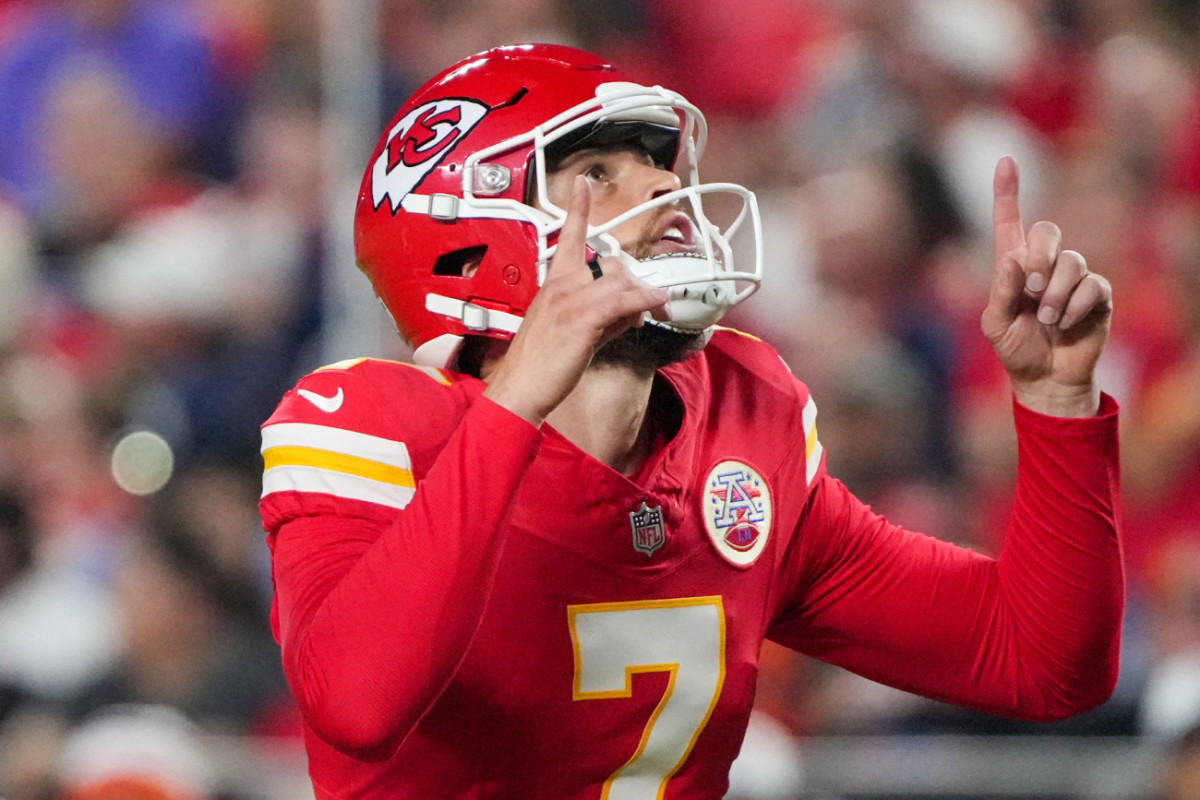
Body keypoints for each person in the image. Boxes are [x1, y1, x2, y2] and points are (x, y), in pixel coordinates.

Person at [258, 44, 1122, 798]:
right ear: (474, 236)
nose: (666, 182)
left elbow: (1038, 661)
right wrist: (517, 399)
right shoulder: (375, 425)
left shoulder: (743, 422)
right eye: (597, 171)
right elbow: (356, 703)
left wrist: (1056, 406)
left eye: (656, 159)